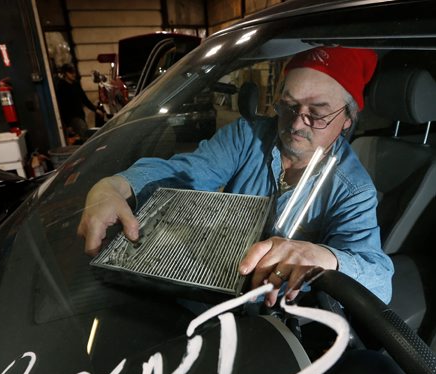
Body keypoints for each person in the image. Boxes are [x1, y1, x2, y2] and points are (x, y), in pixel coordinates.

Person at [77, 47, 394, 306]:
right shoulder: (248, 137)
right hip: (207, 291)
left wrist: (322, 256)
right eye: (288, 106)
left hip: (276, 320)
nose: (297, 124)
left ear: (349, 118)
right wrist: (115, 186)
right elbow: (187, 170)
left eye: (318, 114)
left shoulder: (353, 188)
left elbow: (379, 279)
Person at [55, 63, 102, 139]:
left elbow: (84, 99)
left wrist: (96, 110)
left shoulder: (76, 85)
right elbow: (62, 107)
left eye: (74, 72)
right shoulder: (61, 87)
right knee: (86, 137)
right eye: (71, 72)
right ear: (65, 73)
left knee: (85, 135)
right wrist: (67, 125)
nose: (74, 74)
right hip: (72, 118)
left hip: (80, 115)